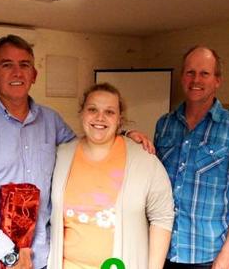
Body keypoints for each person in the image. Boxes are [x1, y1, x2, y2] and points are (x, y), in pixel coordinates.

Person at [0, 34, 153, 269]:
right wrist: (8, 253)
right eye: (6, 65)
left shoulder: (50, 120)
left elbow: (85, 149)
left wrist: (122, 138)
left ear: (34, 75)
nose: (17, 72)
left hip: (38, 256)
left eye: (24, 65)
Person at [48, 83, 174, 269]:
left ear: (119, 120)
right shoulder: (61, 156)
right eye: (92, 109)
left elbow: (162, 216)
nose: (100, 117)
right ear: (82, 113)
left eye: (109, 112)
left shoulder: (144, 160)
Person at [154, 46, 229, 269]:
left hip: (208, 255)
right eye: (190, 72)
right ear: (182, 77)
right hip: (160, 249)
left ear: (217, 80)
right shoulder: (164, 124)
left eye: (204, 73)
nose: (196, 80)